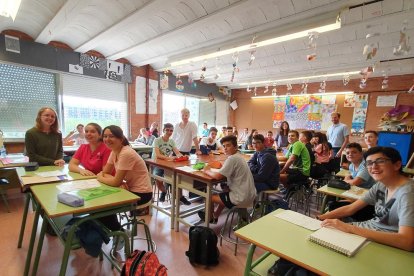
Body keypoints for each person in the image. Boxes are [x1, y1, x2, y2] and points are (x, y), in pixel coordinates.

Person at [318, 146, 414, 252]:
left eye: (380, 161)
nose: (373, 167)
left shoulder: (408, 193)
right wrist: (320, 218)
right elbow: (350, 208)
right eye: (369, 163)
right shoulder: (381, 185)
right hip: (365, 233)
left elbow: (407, 242)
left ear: (397, 165)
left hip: (383, 244)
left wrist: (349, 228)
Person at [97, 126, 153, 240]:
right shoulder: (115, 151)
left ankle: (120, 234)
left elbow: (111, 179)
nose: (107, 139)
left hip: (142, 193)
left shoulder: (126, 153)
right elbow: (107, 172)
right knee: (99, 204)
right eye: (105, 136)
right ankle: (119, 232)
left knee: (102, 208)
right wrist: (117, 181)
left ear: (121, 139)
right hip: (129, 189)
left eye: (111, 136)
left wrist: (100, 177)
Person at [199, 135, 256, 223]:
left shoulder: (232, 159)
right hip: (250, 194)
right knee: (225, 191)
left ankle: (210, 219)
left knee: (209, 197)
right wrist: (221, 167)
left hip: (241, 197)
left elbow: (218, 176)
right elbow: (227, 170)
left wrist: (206, 170)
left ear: (235, 147)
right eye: (224, 146)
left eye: (228, 145)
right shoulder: (239, 156)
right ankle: (215, 216)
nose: (225, 148)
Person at [152, 123, 190, 205]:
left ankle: (180, 196)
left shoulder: (172, 141)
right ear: (163, 130)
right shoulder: (157, 140)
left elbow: (177, 152)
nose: (169, 132)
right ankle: (164, 192)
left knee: (175, 178)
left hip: (167, 164)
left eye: (171, 130)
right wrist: (170, 158)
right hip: (157, 164)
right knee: (158, 179)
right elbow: (158, 155)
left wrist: (183, 156)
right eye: (167, 130)